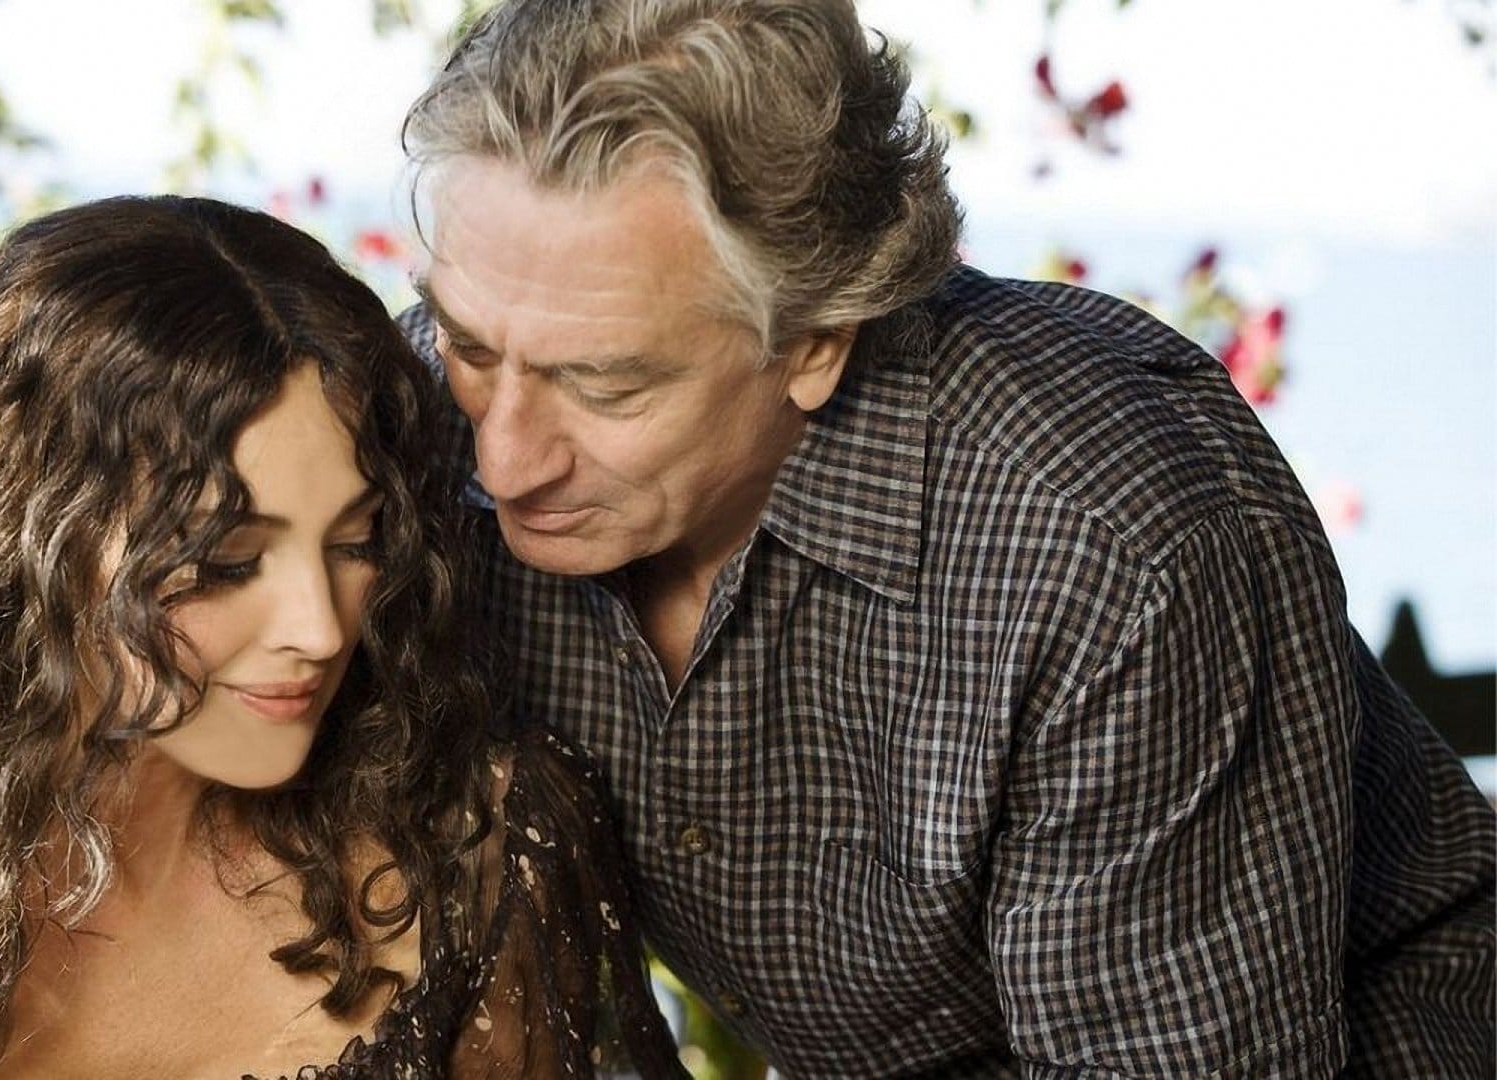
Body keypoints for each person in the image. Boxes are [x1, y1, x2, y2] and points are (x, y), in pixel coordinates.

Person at [397, 1, 1497, 1076]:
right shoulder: (435, 411)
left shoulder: (1104, 544)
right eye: (470, 346)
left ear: (817, 338)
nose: (503, 461)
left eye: (605, 387)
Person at [0, 196, 687, 1079]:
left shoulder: (479, 852)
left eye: (357, 541)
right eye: (222, 563)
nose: (318, 627)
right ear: (20, 551)